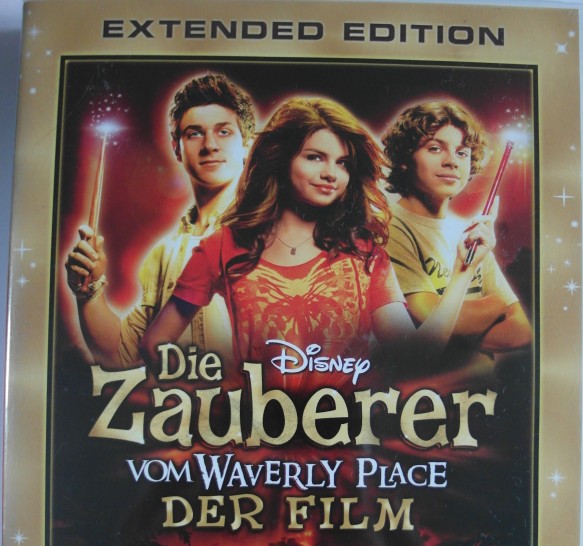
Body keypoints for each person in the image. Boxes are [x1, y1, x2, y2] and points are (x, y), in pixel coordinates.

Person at [141, 97, 499, 385]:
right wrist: (215, 398)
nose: (331, 173)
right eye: (315, 158)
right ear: (281, 160)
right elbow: (155, 344)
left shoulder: (365, 254)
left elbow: (413, 356)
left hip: (343, 442)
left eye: (342, 163)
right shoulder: (223, 246)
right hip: (254, 442)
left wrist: (463, 271)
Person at [64, 73, 256, 368]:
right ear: (177, 148)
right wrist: (88, 291)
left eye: (224, 132)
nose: (210, 145)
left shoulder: (274, 231)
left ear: (247, 145)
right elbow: (120, 354)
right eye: (194, 133)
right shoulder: (165, 253)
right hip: (181, 398)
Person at [382, 100, 532, 373]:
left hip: (483, 392)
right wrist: (495, 305)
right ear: (404, 159)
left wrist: (451, 333)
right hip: (425, 391)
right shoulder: (389, 227)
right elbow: (427, 315)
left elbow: (521, 330)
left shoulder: (471, 232)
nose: (451, 161)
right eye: (435, 148)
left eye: (462, 153)